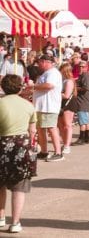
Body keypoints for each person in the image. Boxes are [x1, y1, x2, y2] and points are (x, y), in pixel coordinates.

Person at [0, 74, 37, 233]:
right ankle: (15, 222)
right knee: (19, 187)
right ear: (20, 87)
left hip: (2, 143)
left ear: (3, 87)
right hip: (22, 146)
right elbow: (32, 131)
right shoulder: (28, 105)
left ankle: (0, 217)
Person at [31, 54, 63, 161]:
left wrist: (33, 86)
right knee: (40, 129)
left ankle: (58, 152)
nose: (38, 65)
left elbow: (49, 86)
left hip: (49, 106)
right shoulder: (45, 73)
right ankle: (44, 151)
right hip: (41, 106)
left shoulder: (53, 73)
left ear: (44, 62)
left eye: (39, 63)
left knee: (51, 129)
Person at [58, 62, 76, 155]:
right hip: (61, 104)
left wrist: (56, 93)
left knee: (67, 125)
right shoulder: (62, 80)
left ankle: (67, 145)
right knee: (61, 125)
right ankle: (65, 143)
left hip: (68, 104)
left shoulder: (69, 81)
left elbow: (66, 95)